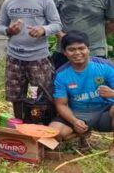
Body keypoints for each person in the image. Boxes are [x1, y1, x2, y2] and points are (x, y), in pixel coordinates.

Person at [0, 0, 62, 119]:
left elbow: (57, 24)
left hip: (38, 58)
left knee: (41, 95)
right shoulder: (8, 2)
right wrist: (8, 30)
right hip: (14, 57)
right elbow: (0, 25)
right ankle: (19, 125)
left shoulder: (44, 0)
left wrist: (43, 30)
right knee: (15, 95)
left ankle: (40, 125)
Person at [48, 30, 114, 159]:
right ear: (65, 52)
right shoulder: (61, 74)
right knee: (55, 133)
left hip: (105, 113)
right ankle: (83, 132)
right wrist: (74, 121)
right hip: (78, 113)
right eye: (72, 49)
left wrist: (112, 93)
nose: (77, 53)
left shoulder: (106, 66)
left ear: (88, 49)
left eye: (81, 48)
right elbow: (61, 105)